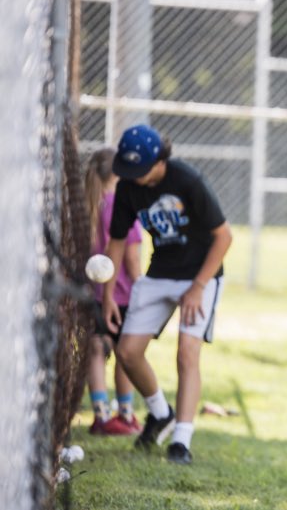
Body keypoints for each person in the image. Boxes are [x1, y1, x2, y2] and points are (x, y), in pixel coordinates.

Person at [102, 124, 233, 465]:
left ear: (160, 161)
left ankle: (181, 443)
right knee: (128, 352)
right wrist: (107, 297)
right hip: (159, 273)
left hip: (201, 274)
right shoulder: (129, 188)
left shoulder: (187, 180)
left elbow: (224, 237)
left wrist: (198, 287)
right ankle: (160, 413)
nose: (133, 177)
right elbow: (115, 243)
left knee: (187, 354)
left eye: (139, 169)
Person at [84, 148, 144, 436]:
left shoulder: (85, 207)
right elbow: (131, 260)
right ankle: (127, 415)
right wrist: (142, 287)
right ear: (118, 175)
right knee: (126, 355)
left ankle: (101, 416)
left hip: (90, 294)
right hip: (123, 296)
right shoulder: (121, 208)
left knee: (96, 349)